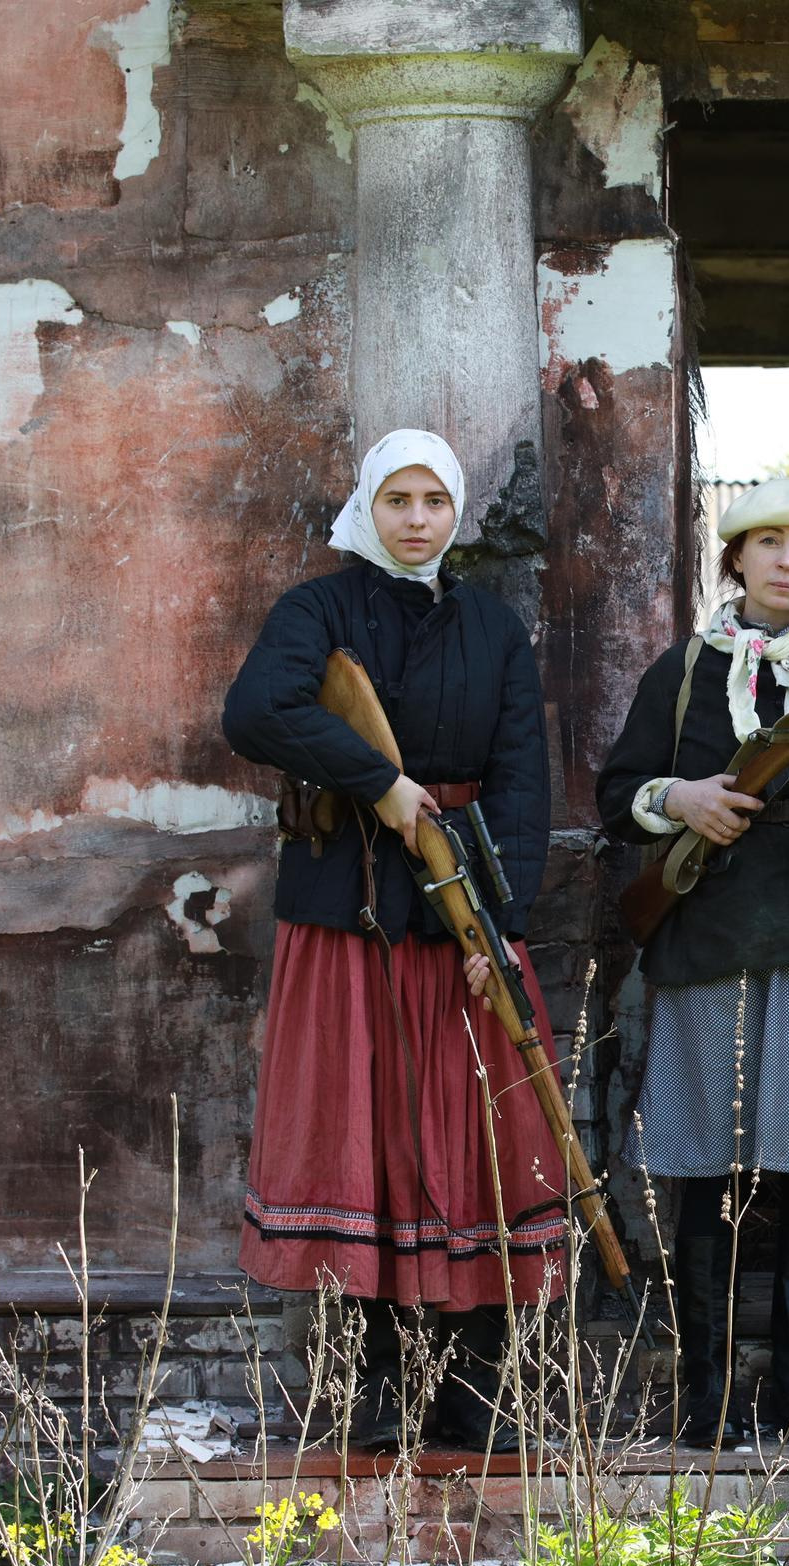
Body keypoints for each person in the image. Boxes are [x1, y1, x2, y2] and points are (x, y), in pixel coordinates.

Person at [222, 428, 564, 1447]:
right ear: (368, 506)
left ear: (455, 512)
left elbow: (521, 780)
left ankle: (470, 1393)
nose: (417, 519)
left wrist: (497, 923)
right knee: (359, 1139)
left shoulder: (494, 629)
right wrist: (380, 782)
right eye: (398, 500)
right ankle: (370, 1393)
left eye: (434, 501)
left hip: (460, 910)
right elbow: (256, 712)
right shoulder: (317, 610)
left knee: (483, 1141)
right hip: (347, 912)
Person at [595, 477, 789, 1450]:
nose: (784, 560)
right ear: (735, 557)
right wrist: (681, 798)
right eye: (767, 542)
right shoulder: (681, 671)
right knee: (707, 1167)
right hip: (712, 936)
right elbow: (617, 794)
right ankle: (710, 1396)